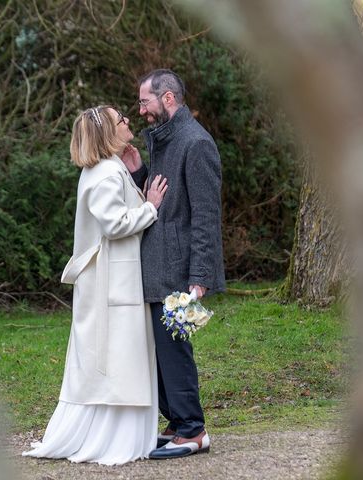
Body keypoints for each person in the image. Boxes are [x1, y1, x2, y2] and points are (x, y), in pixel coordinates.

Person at [23, 105, 168, 465]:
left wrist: (134, 174)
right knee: (114, 360)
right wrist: (151, 207)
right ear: (107, 133)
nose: (128, 122)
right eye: (121, 120)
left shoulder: (108, 169)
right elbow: (115, 224)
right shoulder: (103, 174)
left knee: (115, 360)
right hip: (110, 285)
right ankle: (112, 440)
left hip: (111, 281)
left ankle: (120, 436)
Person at [122, 69, 226, 459]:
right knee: (157, 351)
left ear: (168, 99)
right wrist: (138, 170)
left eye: (145, 101)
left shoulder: (196, 143)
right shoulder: (166, 139)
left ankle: (192, 430)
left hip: (179, 270)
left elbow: (203, 216)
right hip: (156, 265)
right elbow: (164, 199)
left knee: (173, 350)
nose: (141, 110)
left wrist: (199, 279)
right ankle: (175, 421)